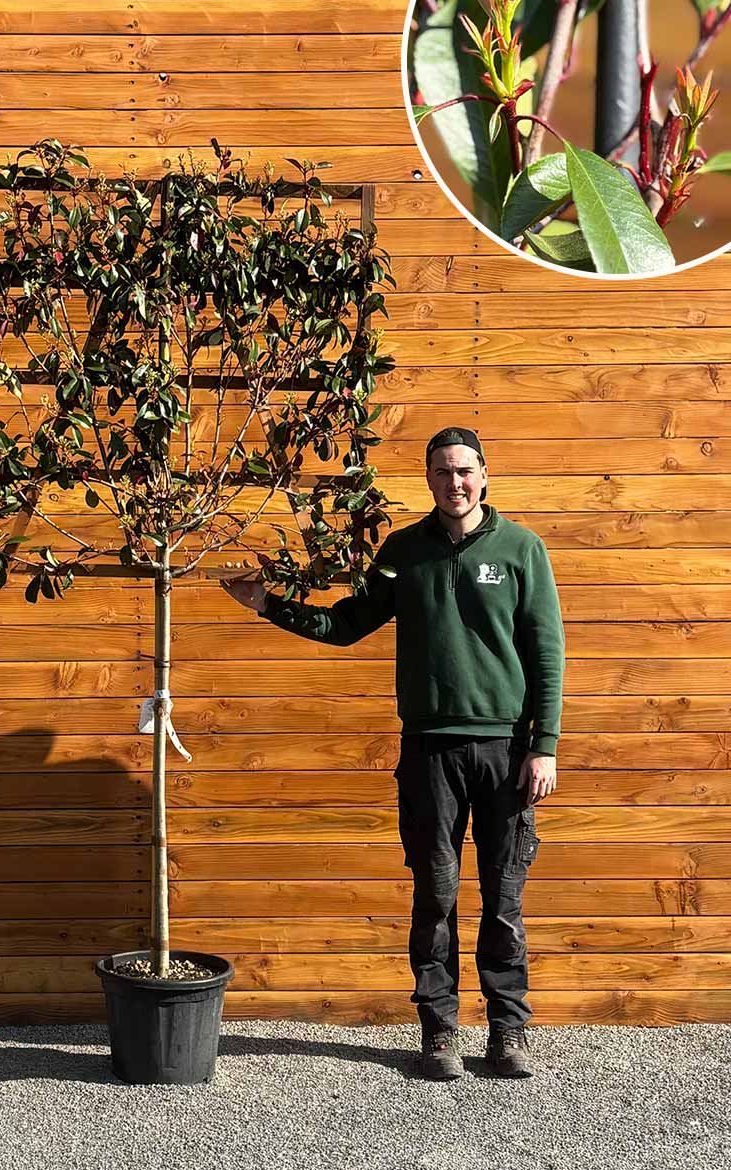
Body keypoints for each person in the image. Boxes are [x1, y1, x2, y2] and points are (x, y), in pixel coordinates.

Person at [220, 426, 564, 1081]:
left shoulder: (523, 550)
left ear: (484, 475)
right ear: (428, 479)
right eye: (441, 472)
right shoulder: (402, 551)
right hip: (428, 752)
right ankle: (439, 1033)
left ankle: (507, 1033)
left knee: (504, 899)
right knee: (434, 894)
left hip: (504, 753)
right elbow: (348, 624)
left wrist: (542, 747)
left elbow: (547, 652)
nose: (454, 483)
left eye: (464, 471)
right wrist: (269, 605)